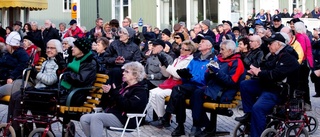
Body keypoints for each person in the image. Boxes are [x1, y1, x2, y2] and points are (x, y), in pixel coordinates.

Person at [235, 33, 300, 137]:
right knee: (245, 85)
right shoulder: (274, 55)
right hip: (268, 85)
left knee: (258, 108)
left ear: (279, 44)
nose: (268, 45)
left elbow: (275, 74)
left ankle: (256, 134)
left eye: (270, 43)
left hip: (278, 90)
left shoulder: (288, 58)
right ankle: (249, 114)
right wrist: (257, 70)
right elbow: (266, 66)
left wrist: (259, 72)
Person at [150, 35, 216, 136]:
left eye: (202, 42)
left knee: (178, 90)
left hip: (201, 88)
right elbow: (186, 73)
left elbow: (204, 79)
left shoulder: (212, 60)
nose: (200, 43)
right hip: (190, 86)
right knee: (179, 94)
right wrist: (184, 75)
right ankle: (179, 126)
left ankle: (169, 118)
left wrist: (189, 77)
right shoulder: (196, 59)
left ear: (209, 46)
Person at [7, 39, 66, 137]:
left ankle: (18, 130)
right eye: (47, 47)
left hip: (48, 93)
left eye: (52, 48)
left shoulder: (57, 63)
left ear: (58, 50)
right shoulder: (46, 62)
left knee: (19, 99)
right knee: (14, 96)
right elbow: (40, 81)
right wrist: (32, 74)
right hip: (40, 90)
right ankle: (14, 126)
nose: (49, 50)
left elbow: (50, 80)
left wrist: (36, 74)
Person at [190, 40, 246, 136]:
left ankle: (201, 126)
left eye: (222, 49)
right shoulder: (219, 60)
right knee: (193, 94)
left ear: (230, 50)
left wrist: (217, 72)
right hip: (212, 89)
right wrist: (209, 72)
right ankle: (205, 126)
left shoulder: (237, 63)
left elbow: (231, 82)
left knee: (196, 95)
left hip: (224, 93)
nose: (220, 52)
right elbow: (207, 78)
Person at [80, 61, 148, 137]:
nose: (123, 73)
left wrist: (115, 92)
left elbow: (127, 106)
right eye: (124, 71)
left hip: (125, 119)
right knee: (84, 118)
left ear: (135, 75)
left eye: (127, 72)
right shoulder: (123, 87)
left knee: (97, 118)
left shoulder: (140, 91)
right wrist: (107, 93)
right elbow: (107, 104)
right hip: (114, 114)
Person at [149, 40, 195, 123]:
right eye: (181, 48)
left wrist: (168, 66)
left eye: (185, 49)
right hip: (170, 81)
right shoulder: (178, 59)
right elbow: (167, 75)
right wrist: (163, 66)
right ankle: (162, 117)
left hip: (179, 85)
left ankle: (164, 118)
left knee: (159, 95)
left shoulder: (190, 61)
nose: (182, 50)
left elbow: (179, 75)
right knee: (152, 93)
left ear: (190, 51)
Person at [60, 37, 97, 106]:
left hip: (76, 95)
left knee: (46, 98)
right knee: (41, 94)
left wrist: (67, 73)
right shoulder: (75, 59)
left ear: (82, 50)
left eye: (75, 47)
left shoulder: (89, 63)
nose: (72, 48)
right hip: (67, 91)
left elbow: (80, 80)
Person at [294, 22, 314, 110]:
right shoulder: (305, 36)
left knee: (301, 83)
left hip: (302, 63)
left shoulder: (300, 37)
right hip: (307, 62)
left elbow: (300, 52)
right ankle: (306, 102)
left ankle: (305, 103)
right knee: (304, 83)